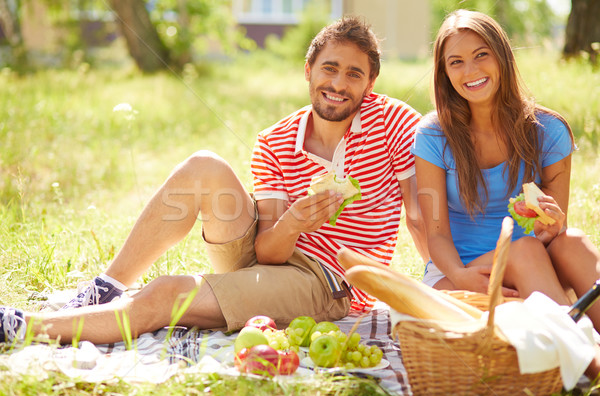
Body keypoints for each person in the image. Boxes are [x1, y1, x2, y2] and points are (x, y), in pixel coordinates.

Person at [0, 16, 427, 345]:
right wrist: (295, 222)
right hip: (274, 255)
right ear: (308, 71)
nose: (338, 83)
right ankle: (107, 287)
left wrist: (437, 285)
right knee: (203, 164)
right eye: (329, 68)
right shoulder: (275, 140)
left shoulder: (394, 122)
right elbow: (267, 252)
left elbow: (420, 216)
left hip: (328, 283)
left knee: (167, 294)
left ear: (370, 84)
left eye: (354, 74)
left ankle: (25, 327)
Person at [411, 9, 600, 377]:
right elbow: (435, 235)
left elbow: (552, 231)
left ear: (502, 56)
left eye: (481, 54)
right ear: (445, 74)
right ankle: (588, 367)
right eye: (456, 62)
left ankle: (576, 345)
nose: (471, 71)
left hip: (532, 269)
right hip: (459, 275)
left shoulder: (548, 130)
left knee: (572, 241)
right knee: (524, 247)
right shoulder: (433, 135)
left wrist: (554, 224)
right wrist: (462, 277)